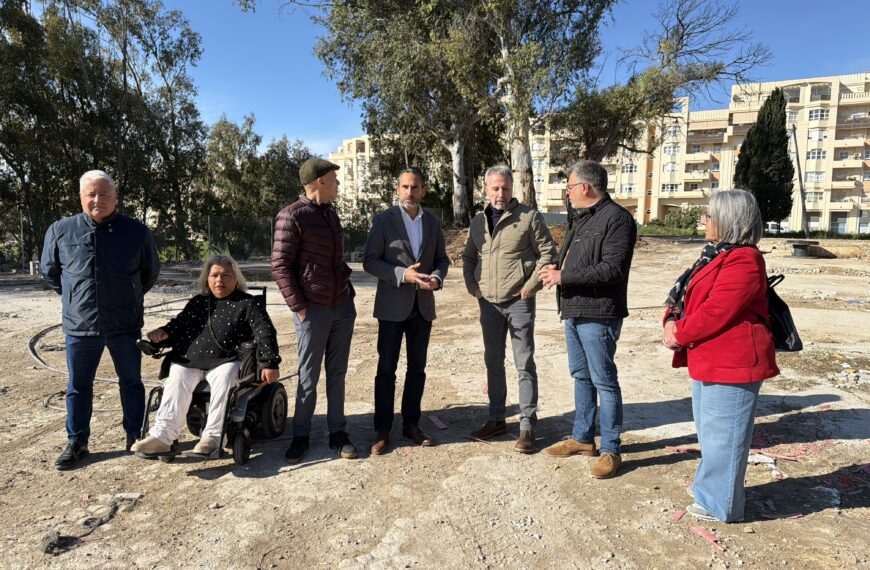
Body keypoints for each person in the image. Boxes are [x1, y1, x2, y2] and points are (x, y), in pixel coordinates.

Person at [662, 189, 778, 522]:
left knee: (726, 438)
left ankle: (721, 505)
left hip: (733, 363)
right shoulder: (714, 254)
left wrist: (679, 333)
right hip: (709, 359)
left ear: (729, 221)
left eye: (709, 215)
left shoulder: (745, 260)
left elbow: (716, 311)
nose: (703, 220)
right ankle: (710, 489)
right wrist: (670, 320)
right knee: (711, 433)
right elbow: (685, 298)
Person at [41, 170, 160, 470]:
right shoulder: (60, 231)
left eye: (104, 194)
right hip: (81, 328)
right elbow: (50, 273)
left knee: (131, 382)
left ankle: (135, 434)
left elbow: (150, 273)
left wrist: (128, 296)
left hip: (125, 324)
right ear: (81, 198)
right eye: (91, 194)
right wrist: (75, 298)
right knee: (78, 386)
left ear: (115, 197)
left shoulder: (136, 231)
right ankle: (77, 442)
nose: (98, 200)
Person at [539, 160, 636, 479]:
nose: (566, 193)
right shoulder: (580, 218)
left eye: (568, 187)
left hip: (599, 313)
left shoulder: (618, 219)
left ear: (585, 187)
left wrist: (564, 275)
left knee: (604, 381)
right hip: (574, 309)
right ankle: (582, 439)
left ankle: (611, 448)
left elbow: (612, 270)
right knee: (581, 376)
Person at [131, 255, 281, 457]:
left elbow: (265, 332)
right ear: (207, 279)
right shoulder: (197, 303)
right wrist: (163, 335)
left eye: (226, 275)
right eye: (215, 275)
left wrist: (269, 362)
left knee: (225, 376)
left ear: (236, 279)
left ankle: (212, 438)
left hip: (227, 361)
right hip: (191, 361)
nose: (220, 280)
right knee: (176, 374)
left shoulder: (248, 303)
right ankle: (162, 437)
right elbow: (178, 327)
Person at [462, 165, 558, 453]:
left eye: (504, 188)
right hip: (488, 303)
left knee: (524, 363)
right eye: (495, 188)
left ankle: (527, 425)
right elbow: (468, 257)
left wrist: (531, 287)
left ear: (511, 188)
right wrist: (473, 287)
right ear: (486, 189)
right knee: (493, 361)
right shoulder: (477, 222)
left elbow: (548, 254)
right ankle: (496, 419)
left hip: (519, 301)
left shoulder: (528, 217)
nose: (500, 193)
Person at [272, 157, 357, 464]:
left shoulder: (331, 215)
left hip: (341, 307)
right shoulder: (291, 216)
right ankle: (301, 436)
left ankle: (338, 433)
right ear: (320, 181)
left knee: (338, 374)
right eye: (334, 178)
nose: (338, 183)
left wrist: (347, 291)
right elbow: (280, 265)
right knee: (308, 377)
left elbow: (334, 260)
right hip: (313, 311)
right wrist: (299, 307)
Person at [363, 168, 449, 454]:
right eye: (405, 187)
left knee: (417, 370)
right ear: (397, 189)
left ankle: (412, 424)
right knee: (386, 370)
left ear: (423, 190)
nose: (410, 193)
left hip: (422, 308)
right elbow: (370, 262)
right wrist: (402, 274)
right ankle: (382, 430)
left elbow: (441, 260)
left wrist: (436, 277)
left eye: (415, 187)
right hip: (391, 308)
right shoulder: (383, 221)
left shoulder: (433, 223)